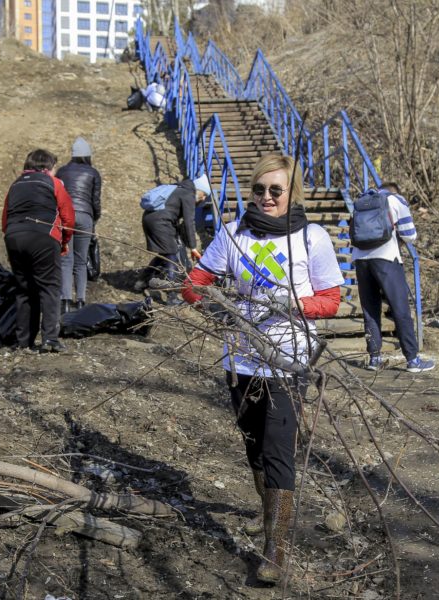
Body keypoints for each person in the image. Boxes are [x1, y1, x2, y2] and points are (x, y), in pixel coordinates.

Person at [181, 154, 344, 585]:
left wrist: (295, 303)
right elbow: (194, 284)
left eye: (276, 190)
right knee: (252, 442)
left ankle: (277, 550)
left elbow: (330, 301)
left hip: (289, 361)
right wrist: (214, 303)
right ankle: (264, 509)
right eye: (259, 190)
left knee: (278, 449)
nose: (267, 197)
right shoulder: (233, 234)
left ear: (292, 194)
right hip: (241, 357)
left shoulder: (312, 238)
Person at [353, 182, 435, 372]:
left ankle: (374, 358)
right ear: (395, 191)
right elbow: (410, 235)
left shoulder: (362, 200)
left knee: (370, 310)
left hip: (360, 258)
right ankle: (413, 359)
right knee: (400, 309)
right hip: (387, 258)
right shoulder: (396, 200)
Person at [1, 149, 75, 353]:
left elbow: (5, 219)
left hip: (14, 236)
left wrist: (12, 238)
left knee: (25, 289)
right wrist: (63, 242)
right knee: (49, 287)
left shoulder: (15, 184)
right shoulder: (54, 183)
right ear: (48, 168)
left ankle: (23, 340)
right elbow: (68, 217)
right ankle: (50, 338)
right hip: (43, 235)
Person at [135, 174, 210, 304]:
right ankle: (172, 297)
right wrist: (193, 247)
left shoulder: (179, 188)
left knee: (165, 254)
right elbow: (189, 222)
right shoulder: (188, 194)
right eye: (204, 194)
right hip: (161, 223)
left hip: (150, 219)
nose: (203, 198)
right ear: (199, 190)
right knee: (172, 258)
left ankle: (142, 282)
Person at [55, 136, 102, 314]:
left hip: (66, 217)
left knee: (66, 259)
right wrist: (94, 219)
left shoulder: (61, 171)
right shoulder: (93, 173)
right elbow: (96, 201)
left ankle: (65, 301)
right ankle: (81, 300)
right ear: (88, 155)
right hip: (85, 217)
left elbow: (57, 196)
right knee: (81, 261)